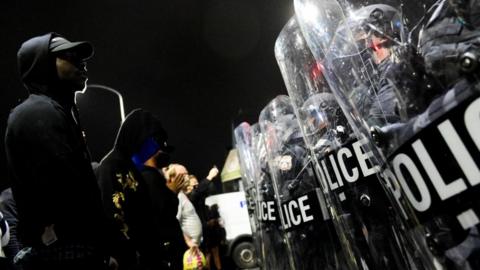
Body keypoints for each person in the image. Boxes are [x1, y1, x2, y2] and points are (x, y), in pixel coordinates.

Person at [4, 33, 110, 270]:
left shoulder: (56, 111)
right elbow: (70, 188)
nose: (82, 64)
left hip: (70, 244)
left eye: (81, 59)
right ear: (42, 65)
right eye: (70, 57)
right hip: (64, 249)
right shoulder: (38, 112)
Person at [95, 108, 175, 270]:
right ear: (137, 137)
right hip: (131, 260)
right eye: (153, 143)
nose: (154, 150)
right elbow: (114, 215)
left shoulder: (132, 169)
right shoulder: (110, 167)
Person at [142, 155, 189, 269]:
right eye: (182, 176)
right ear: (171, 178)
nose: (187, 178)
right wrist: (171, 193)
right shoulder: (152, 181)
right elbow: (165, 216)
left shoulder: (173, 192)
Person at [177, 175, 202, 253]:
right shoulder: (178, 196)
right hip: (189, 246)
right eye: (184, 174)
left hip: (194, 244)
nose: (187, 176)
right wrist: (187, 241)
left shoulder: (183, 195)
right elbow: (176, 221)